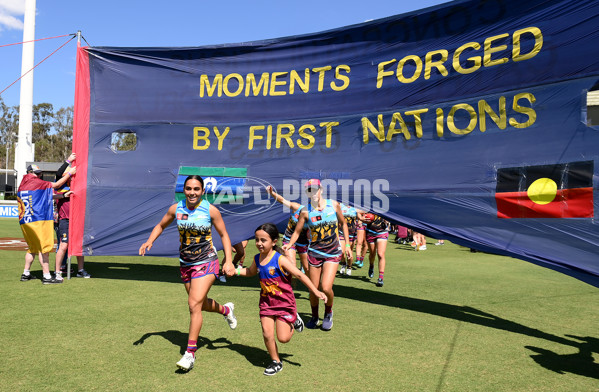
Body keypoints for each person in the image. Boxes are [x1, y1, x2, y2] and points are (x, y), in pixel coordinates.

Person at [139, 175, 237, 371]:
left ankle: (189, 354)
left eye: (196, 189)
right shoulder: (176, 208)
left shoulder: (211, 210)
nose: (192, 192)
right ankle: (226, 310)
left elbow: (224, 235)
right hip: (186, 263)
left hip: (207, 261)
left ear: (203, 191)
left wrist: (228, 260)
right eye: (189, 189)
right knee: (200, 303)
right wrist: (150, 240)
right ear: (183, 190)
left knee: (193, 304)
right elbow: (160, 225)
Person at [236, 223, 327, 376]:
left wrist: (315, 290)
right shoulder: (257, 258)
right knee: (267, 333)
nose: (259, 243)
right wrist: (236, 270)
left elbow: (300, 275)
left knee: (283, 338)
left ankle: (294, 320)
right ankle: (276, 361)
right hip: (266, 303)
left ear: (274, 241)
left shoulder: (280, 259)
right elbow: (250, 271)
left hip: (285, 303)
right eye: (257, 240)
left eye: (263, 240)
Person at [283, 179, 352, 331]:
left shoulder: (333, 205)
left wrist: (347, 245)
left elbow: (344, 223)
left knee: (326, 287)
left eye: (315, 189)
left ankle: (328, 313)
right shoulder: (305, 212)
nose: (312, 193)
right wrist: (289, 244)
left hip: (333, 252)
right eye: (309, 190)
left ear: (321, 189)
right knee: (313, 288)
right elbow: (296, 232)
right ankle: (314, 316)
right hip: (314, 252)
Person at [18, 163, 76, 284]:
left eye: (40, 174)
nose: (39, 176)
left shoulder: (23, 184)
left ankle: (26, 273)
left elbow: (44, 196)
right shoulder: (36, 182)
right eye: (37, 173)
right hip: (38, 220)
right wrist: (70, 173)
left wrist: (63, 195)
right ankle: (47, 277)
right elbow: (56, 184)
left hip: (25, 221)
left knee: (32, 248)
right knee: (44, 249)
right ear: (30, 173)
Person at [53, 153, 91, 282]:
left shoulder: (76, 186)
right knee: (63, 246)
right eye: (69, 175)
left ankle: (80, 270)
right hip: (65, 220)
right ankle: (57, 272)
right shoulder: (60, 186)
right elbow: (59, 173)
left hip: (78, 220)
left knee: (80, 246)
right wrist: (68, 161)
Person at [266, 186, 309, 273]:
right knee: (291, 266)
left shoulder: (313, 215)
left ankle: (311, 285)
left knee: (307, 268)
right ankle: (287, 285)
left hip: (303, 241)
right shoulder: (296, 207)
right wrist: (271, 193)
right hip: (289, 238)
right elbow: (282, 200)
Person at [360, 212, 389, 287]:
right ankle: (371, 265)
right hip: (371, 232)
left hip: (382, 231)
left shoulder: (385, 205)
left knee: (380, 254)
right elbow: (358, 211)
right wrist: (361, 218)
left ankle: (380, 278)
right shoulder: (369, 204)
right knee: (372, 254)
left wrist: (388, 220)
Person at [338, 203, 361, 276]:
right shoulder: (341, 206)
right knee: (341, 252)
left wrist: (361, 220)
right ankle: (343, 263)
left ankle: (349, 267)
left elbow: (359, 217)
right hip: (341, 232)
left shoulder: (355, 207)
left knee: (349, 253)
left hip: (352, 233)